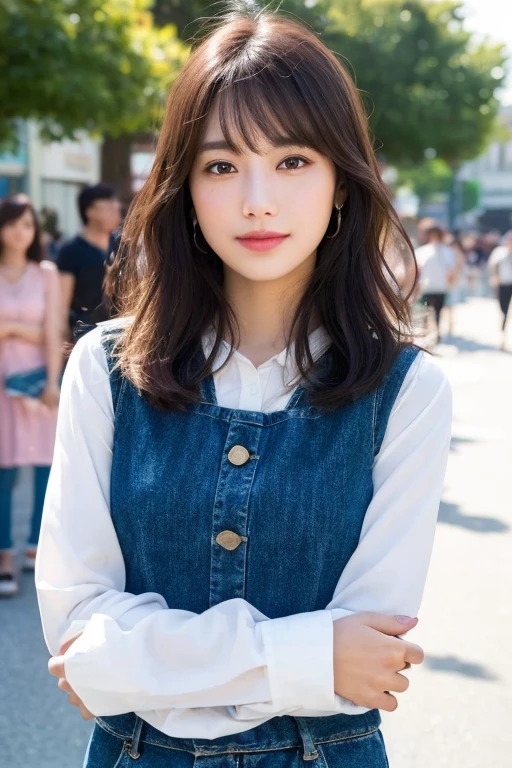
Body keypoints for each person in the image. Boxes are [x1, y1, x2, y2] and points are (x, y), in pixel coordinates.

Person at [37, 7, 452, 767]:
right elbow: (78, 641)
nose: (257, 198)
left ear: (340, 183)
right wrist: (309, 657)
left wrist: (146, 659)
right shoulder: (106, 367)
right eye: (222, 165)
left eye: (292, 160)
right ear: (186, 190)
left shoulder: (407, 390)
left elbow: (370, 655)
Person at [0, 197, 61, 597]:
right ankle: (5, 554)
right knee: (4, 472)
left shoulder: (47, 274)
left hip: (38, 381)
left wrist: (54, 382)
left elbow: (54, 331)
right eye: (12, 224)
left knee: (44, 468)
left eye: (27, 224)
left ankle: (37, 549)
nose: (20, 231)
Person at [56, 183, 122, 338]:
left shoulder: (122, 246)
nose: (116, 210)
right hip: (84, 335)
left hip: (119, 335)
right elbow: (61, 306)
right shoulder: (71, 251)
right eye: (110, 206)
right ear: (90, 211)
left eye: (116, 205)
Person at [415, 225, 457, 344]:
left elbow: (451, 270)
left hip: (436, 286)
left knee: (434, 311)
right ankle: (428, 333)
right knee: (429, 311)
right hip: (429, 286)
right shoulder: (424, 251)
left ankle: (433, 333)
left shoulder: (445, 251)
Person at [488, 230, 512, 349]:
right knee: (504, 310)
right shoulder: (500, 252)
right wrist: (495, 277)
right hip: (504, 284)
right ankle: (503, 336)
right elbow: (493, 265)